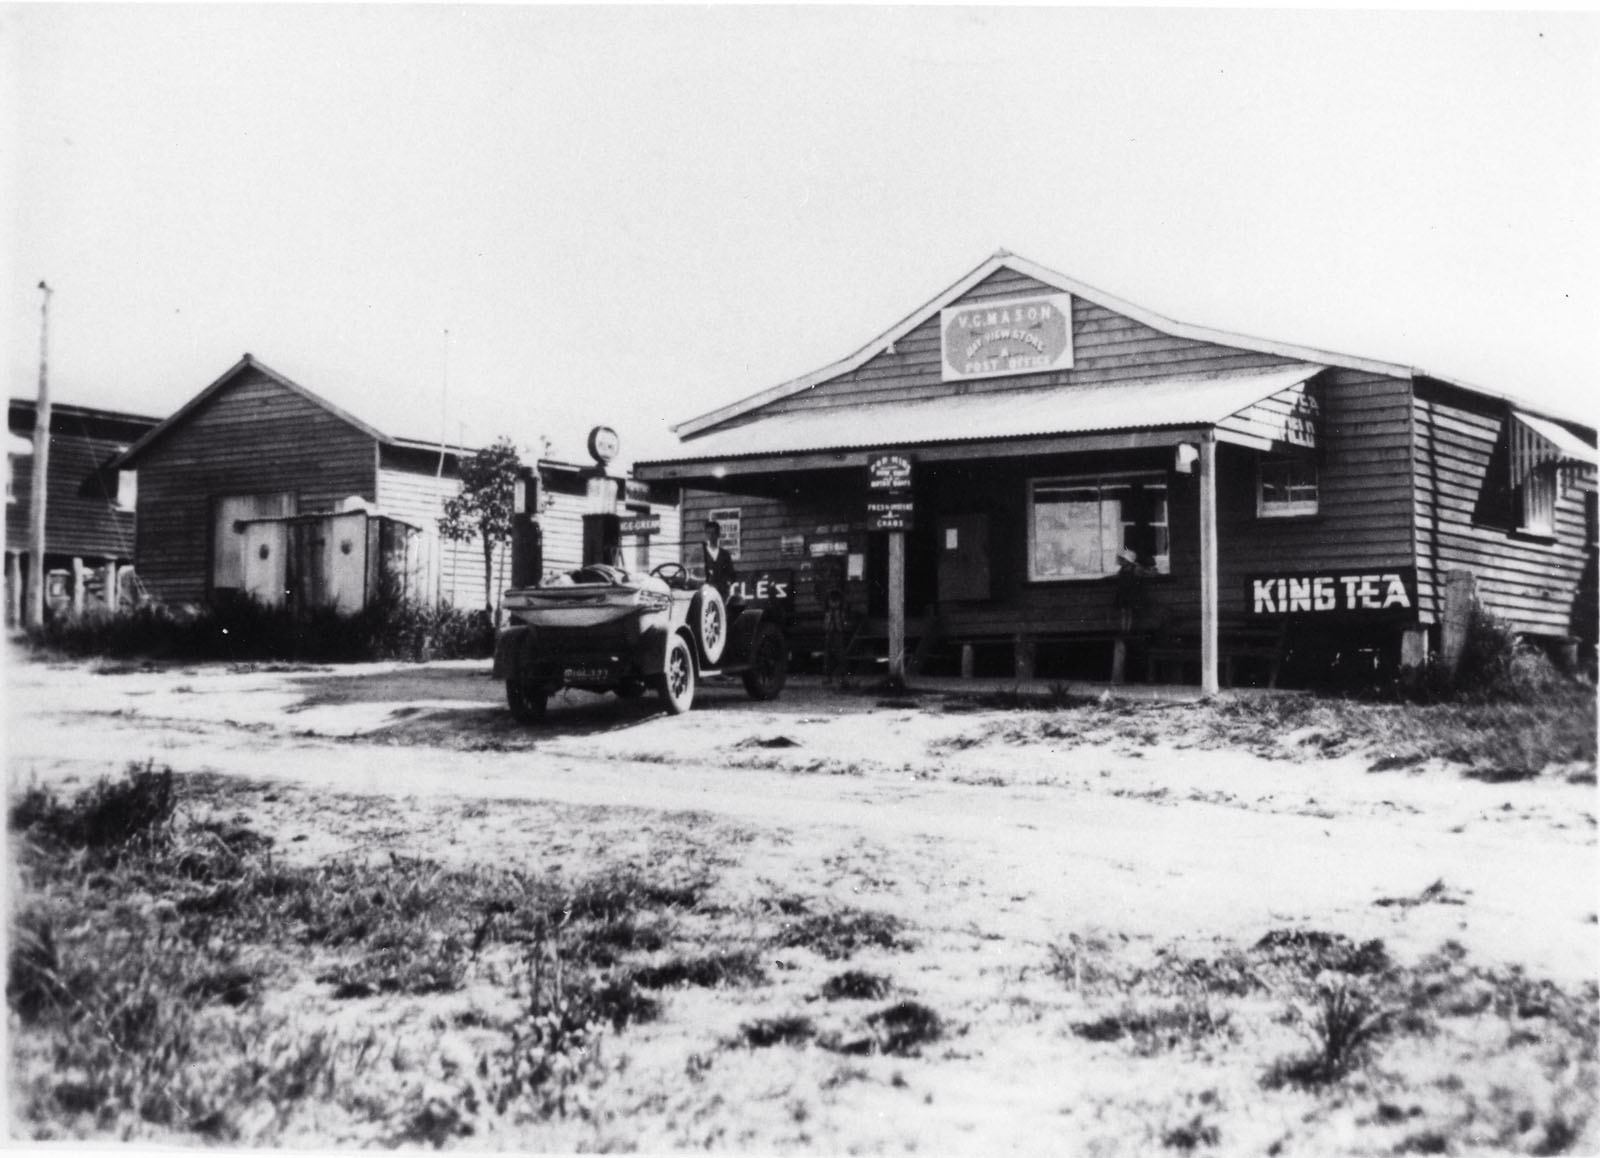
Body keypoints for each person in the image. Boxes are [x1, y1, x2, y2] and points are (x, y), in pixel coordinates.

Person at [702, 520, 737, 600]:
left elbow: (732, 575)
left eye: (713, 533)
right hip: (705, 592)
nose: (711, 536)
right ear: (705, 535)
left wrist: (727, 583)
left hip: (721, 592)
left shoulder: (725, 554)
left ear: (718, 535)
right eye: (708, 533)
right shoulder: (701, 553)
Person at [822, 588, 848, 684]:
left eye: (836, 601)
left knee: (840, 656)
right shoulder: (828, 613)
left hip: (838, 634)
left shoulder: (840, 613)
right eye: (832, 601)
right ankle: (829, 677)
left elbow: (842, 625)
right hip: (830, 634)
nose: (834, 604)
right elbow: (825, 625)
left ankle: (843, 678)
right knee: (828, 657)